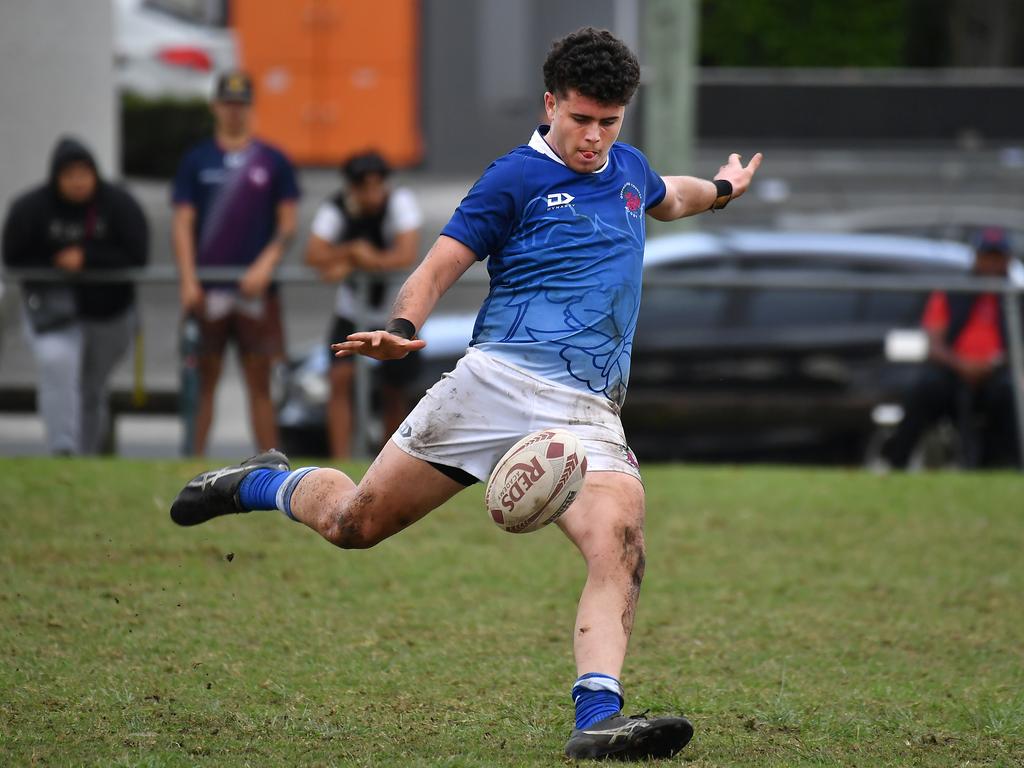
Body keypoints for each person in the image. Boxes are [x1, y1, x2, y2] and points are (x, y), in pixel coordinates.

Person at [170, 28, 761, 761]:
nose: (595, 137)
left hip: (588, 413)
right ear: (550, 104)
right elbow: (437, 266)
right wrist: (399, 325)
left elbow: (676, 197)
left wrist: (727, 187)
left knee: (621, 543)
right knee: (355, 525)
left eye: (610, 122)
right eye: (581, 119)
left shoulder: (628, 168)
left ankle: (598, 717)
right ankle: (257, 481)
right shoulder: (512, 178)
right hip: (494, 387)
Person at [171, 71, 300, 455]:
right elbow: (182, 223)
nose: (234, 112)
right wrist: (188, 280)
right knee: (203, 379)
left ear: (250, 108)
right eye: (228, 104)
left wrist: (266, 265)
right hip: (208, 289)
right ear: (215, 107)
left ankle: (272, 468)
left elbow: (288, 223)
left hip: (256, 293)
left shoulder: (273, 160)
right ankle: (191, 464)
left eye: (241, 104)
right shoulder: (196, 160)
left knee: (260, 381)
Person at [2, 137, 148, 455]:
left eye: (84, 173)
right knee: (58, 366)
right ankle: (63, 448)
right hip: (52, 312)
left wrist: (88, 258)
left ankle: (86, 454)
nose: (78, 182)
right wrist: (55, 263)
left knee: (91, 389)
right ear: (56, 177)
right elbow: (13, 256)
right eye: (70, 174)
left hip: (108, 314)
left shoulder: (118, 204)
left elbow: (138, 254)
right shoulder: (32, 207)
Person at [305, 151, 423, 458]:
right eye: (362, 186)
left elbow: (406, 253)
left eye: (376, 184)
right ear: (351, 186)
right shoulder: (336, 207)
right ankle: (341, 458)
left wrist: (361, 261)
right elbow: (314, 254)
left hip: (395, 312)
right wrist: (351, 252)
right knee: (339, 378)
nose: (371, 194)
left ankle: (390, 459)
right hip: (351, 311)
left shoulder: (400, 202)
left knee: (395, 388)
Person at [883, 228, 1019, 468]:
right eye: (987, 256)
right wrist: (962, 365)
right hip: (954, 369)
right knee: (925, 388)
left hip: (1000, 372)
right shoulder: (953, 293)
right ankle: (896, 463)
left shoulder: (1016, 297)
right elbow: (934, 342)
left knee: (1010, 393)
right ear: (976, 258)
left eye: (998, 257)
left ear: (1008, 260)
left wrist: (994, 364)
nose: (992, 264)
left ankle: (1011, 464)